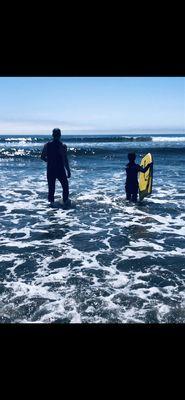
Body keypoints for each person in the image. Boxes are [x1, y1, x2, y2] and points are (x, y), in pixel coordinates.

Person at [41, 128, 71, 206]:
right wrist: (68, 170)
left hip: (50, 169)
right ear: (60, 135)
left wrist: (49, 161)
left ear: (52, 135)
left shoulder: (47, 145)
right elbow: (65, 159)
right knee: (65, 187)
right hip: (60, 169)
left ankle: (51, 206)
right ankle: (65, 203)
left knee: (51, 189)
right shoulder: (62, 146)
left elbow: (42, 157)